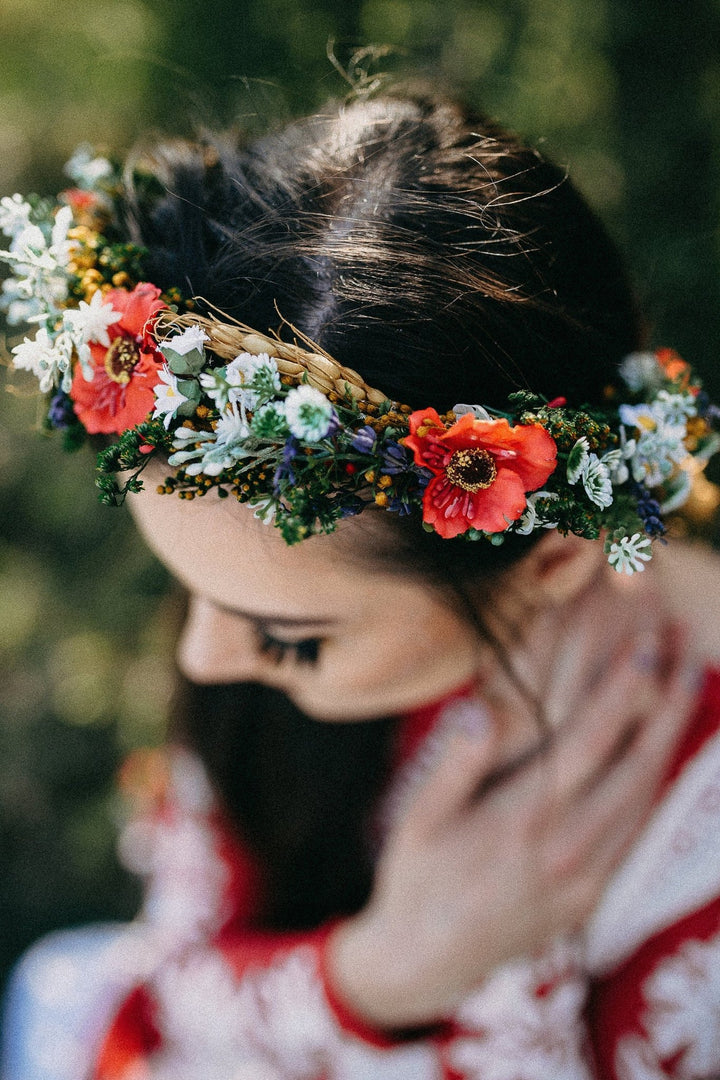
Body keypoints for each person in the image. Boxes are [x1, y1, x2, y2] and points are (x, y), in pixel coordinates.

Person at [2, 88, 720, 1080]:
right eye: (188, 591)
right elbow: (169, 990)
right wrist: (382, 971)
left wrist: (504, 967)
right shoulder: (285, 589)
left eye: (291, 639)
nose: (200, 659)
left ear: (553, 561)